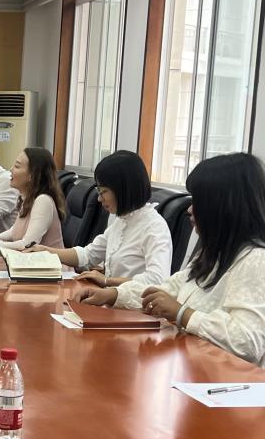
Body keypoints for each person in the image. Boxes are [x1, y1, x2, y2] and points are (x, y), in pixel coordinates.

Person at [76, 153, 265, 367]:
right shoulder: (213, 254)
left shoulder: (256, 261)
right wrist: (113, 295)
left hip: (223, 379)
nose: (190, 209)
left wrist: (182, 313)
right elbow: (165, 289)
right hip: (191, 365)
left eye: (198, 202)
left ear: (223, 208)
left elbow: (247, 341)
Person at [28, 150, 172, 287]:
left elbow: (157, 280)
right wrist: (45, 250)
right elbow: (88, 255)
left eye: (103, 192)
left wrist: (107, 281)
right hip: (112, 298)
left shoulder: (154, 227)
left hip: (133, 303)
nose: (99, 198)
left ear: (123, 190)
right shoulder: (121, 220)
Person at [0, 147, 65, 249]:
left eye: (17, 166)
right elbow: (15, 231)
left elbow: (29, 244)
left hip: (47, 259)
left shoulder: (43, 200)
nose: (11, 169)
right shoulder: (27, 198)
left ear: (32, 175)